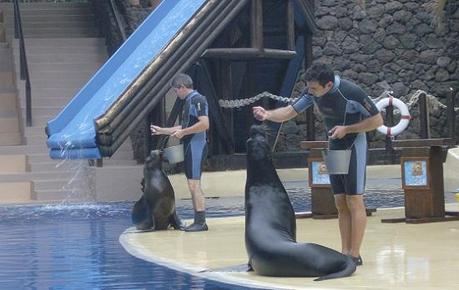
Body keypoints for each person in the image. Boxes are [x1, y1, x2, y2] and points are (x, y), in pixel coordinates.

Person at [252, 62, 383, 266]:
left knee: (354, 200)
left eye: (314, 88)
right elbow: (289, 112)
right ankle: (345, 251)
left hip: (353, 145)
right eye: (309, 88)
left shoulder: (351, 92)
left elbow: (377, 121)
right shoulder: (312, 92)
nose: (310, 92)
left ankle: (355, 254)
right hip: (335, 145)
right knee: (340, 202)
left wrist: (348, 129)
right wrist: (267, 115)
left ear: (328, 85)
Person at [151, 73, 209, 232]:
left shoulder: (198, 99)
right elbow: (183, 127)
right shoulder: (189, 101)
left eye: (176, 91)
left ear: (182, 87)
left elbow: (204, 124)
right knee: (192, 184)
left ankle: (201, 222)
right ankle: (198, 220)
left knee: (194, 184)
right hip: (190, 146)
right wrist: (162, 130)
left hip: (196, 147)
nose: (177, 94)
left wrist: (184, 133)